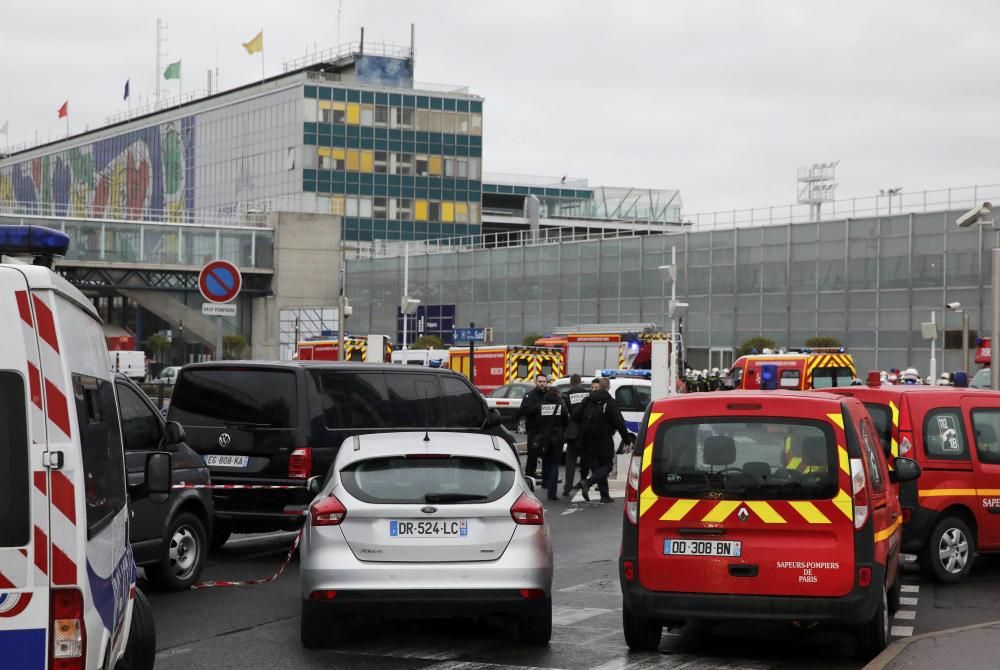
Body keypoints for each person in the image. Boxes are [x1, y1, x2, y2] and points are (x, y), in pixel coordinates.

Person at [572, 377, 633, 503]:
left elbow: (575, 415)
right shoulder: (611, 402)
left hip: (588, 439)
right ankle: (587, 483)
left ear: (599, 386)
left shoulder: (588, 399)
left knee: (597, 467)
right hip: (604, 438)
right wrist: (627, 440)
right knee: (608, 466)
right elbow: (619, 423)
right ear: (609, 387)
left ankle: (604, 495)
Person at [532, 386, 569, 500]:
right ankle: (551, 493)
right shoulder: (561, 406)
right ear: (557, 394)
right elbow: (566, 422)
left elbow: (537, 422)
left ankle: (546, 483)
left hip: (544, 439)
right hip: (557, 439)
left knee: (547, 463)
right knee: (554, 465)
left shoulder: (541, 406)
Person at [561, 374, 590, 497]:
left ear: (571, 382)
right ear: (580, 382)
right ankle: (583, 483)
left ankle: (567, 488)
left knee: (571, 461)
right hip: (584, 432)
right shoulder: (587, 394)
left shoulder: (567, 395)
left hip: (572, 432)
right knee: (585, 460)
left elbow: (565, 412)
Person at [516, 374, 548, 478]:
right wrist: (538, 407)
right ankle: (530, 474)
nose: (542, 384)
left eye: (544, 382)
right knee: (532, 453)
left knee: (546, 452)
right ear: (536, 382)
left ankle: (546, 473)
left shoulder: (549, 395)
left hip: (546, 428)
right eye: (540, 381)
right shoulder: (529, 395)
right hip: (534, 428)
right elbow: (524, 411)